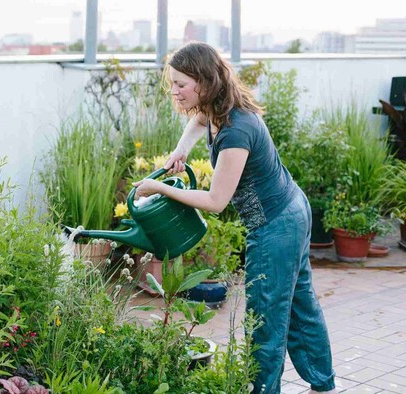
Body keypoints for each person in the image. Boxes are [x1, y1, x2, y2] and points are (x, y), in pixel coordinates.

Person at [133, 41, 336, 394]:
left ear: (204, 81)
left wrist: (159, 188)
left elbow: (215, 200)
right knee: (300, 304)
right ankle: (324, 383)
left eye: (181, 83)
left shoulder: (236, 131)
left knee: (265, 318)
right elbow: (198, 121)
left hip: (276, 225)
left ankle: (264, 390)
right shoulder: (219, 107)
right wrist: (181, 149)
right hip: (290, 209)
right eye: (172, 83)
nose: (175, 91)